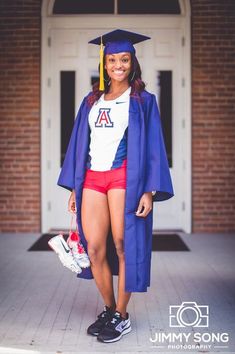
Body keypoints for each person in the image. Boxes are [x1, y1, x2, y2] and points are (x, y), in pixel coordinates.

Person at [57, 29, 174, 343]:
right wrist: (73, 188)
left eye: (124, 59)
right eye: (112, 60)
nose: (118, 65)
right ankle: (109, 309)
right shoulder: (92, 100)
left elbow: (153, 147)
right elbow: (80, 143)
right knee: (94, 248)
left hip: (124, 177)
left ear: (132, 62)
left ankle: (122, 316)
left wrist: (149, 189)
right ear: (104, 64)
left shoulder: (143, 101)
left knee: (124, 245)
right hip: (93, 178)